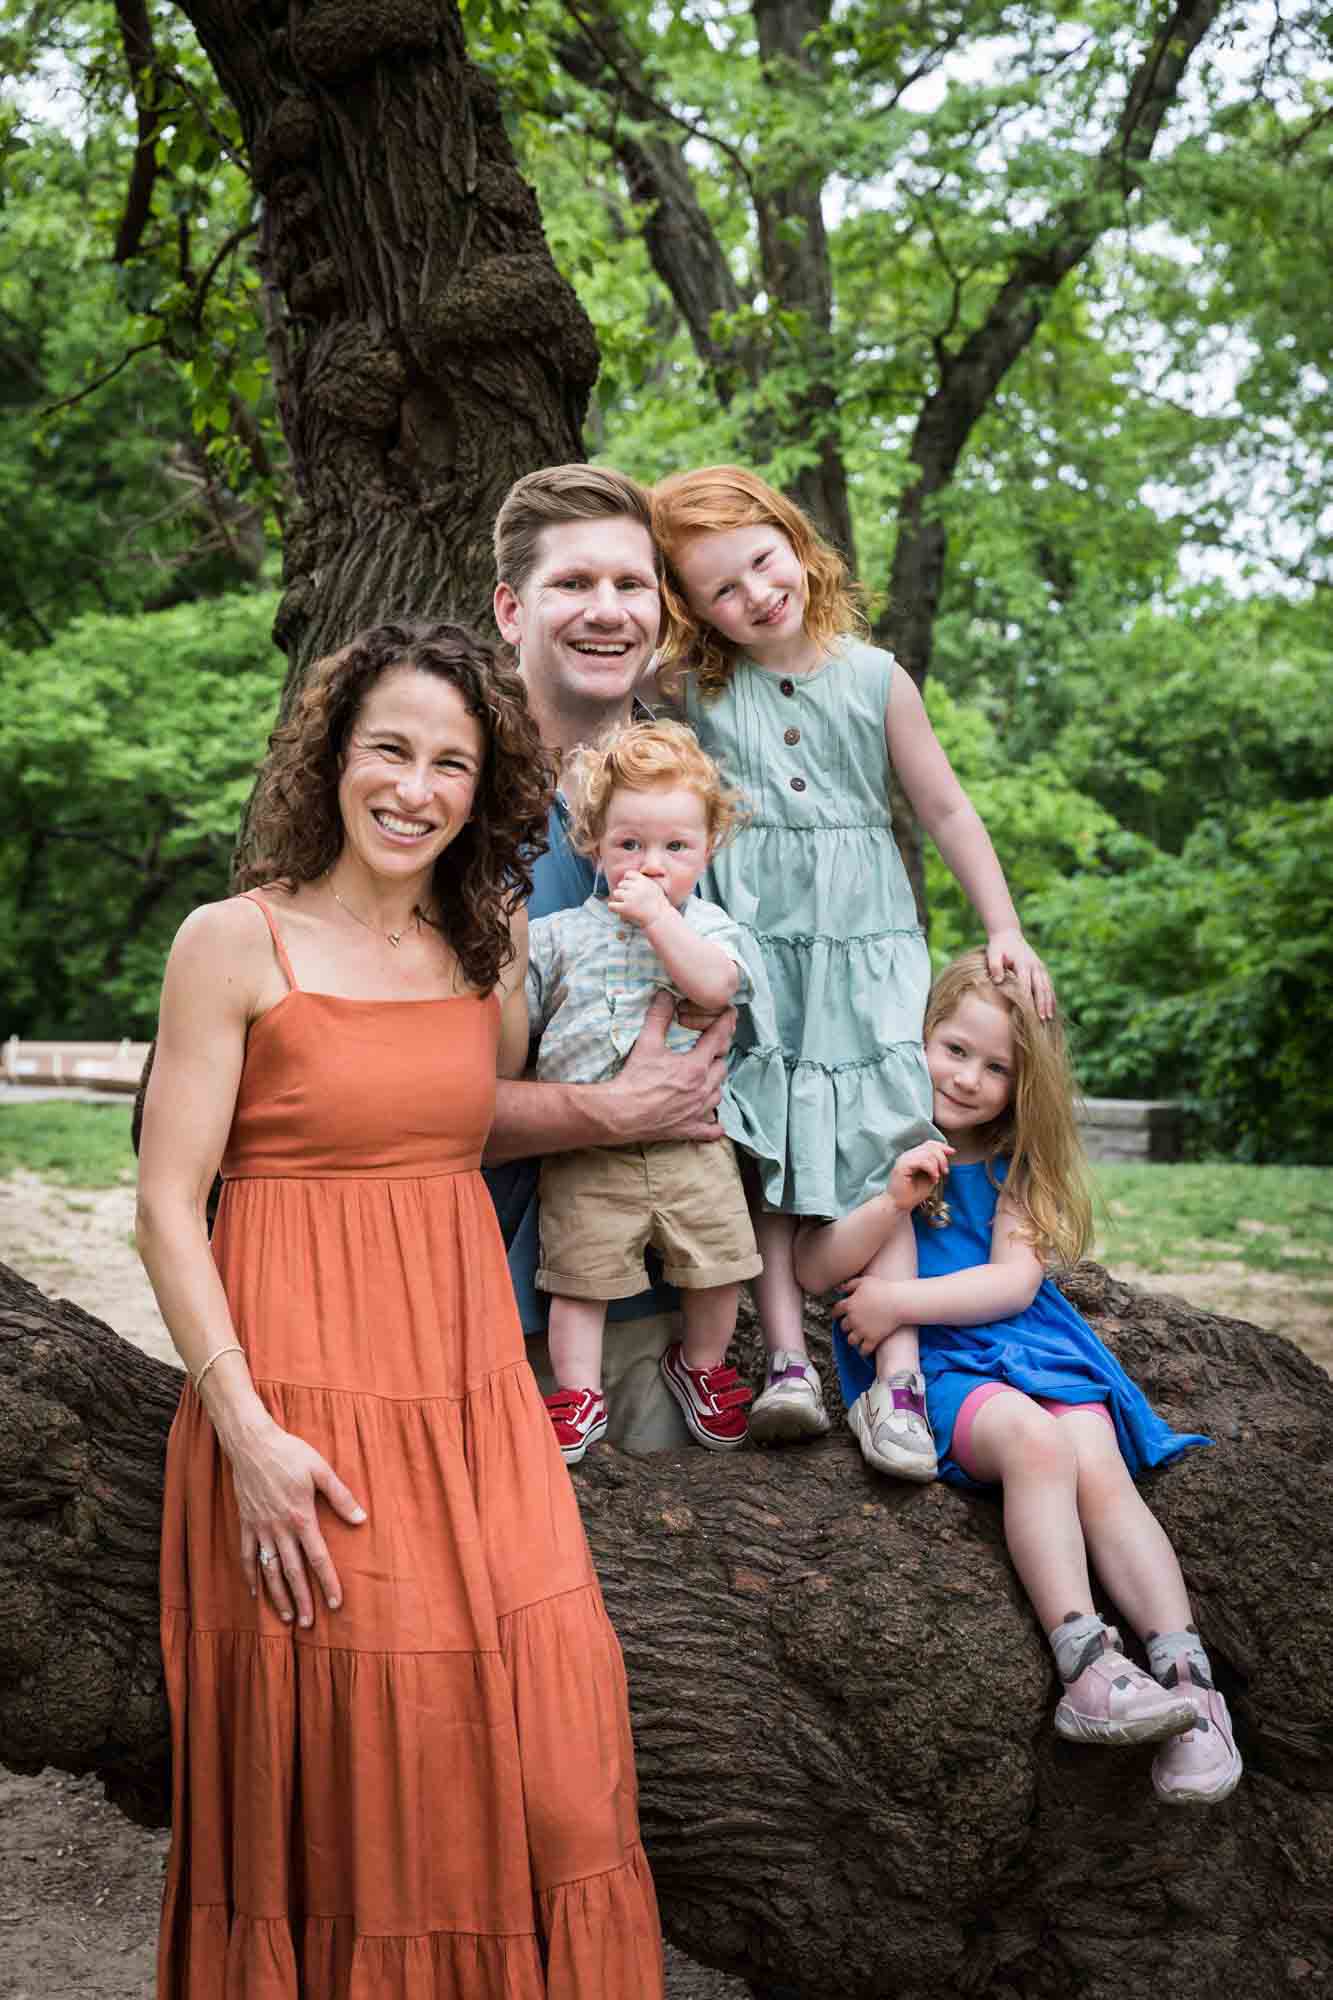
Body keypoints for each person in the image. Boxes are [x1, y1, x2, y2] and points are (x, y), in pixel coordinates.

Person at [136, 621, 666, 1997]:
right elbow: (163, 1203)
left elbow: (466, 1124)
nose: (414, 786)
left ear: (481, 787)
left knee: (561, 1759)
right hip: (297, 1400)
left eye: (450, 760)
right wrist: (246, 1435)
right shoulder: (233, 941)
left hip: (473, 1396)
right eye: (389, 748)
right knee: (374, 1769)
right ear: (333, 756)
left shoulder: (482, 947)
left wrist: (633, 1099)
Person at [650, 464, 1053, 1469]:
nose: (754, 592)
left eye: (761, 559)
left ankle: (898, 1382)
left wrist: (1001, 923)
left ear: (793, 537)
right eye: (720, 589)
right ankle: (788, 1362)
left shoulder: (875, 678)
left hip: (868, 951)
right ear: (693, 610)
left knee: (887, 1146)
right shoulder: (696, 692)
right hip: (763, 954)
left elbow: (947, 808)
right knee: (777, 1156)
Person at [806, 949, 1242, 1805]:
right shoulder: (873, 1137)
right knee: (1037, 1446)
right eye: (953, 1049)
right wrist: (892, 1207)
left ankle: (1188, 1679)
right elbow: (810, 1263)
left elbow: (1013, 1282)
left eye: (996, 1066)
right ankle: (1086, 1659)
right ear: (919, 1037)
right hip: (934, 1365)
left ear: (1023, 1083)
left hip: (1026, 1342)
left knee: (1097, 1464)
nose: (968, 1079)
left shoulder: (1014, 1163)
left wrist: (899, 1295)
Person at [486, 464, 735, 1455]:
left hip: (666, 1297)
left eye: (631, 585)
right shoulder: (444, 794)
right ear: (512, 608)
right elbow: (377, 1091)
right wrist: (609, 1108)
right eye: (572, 584)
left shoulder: (710, 791)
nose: (607, 610)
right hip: (483, 1284)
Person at [528, 718, 785, 1460]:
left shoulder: (709, 928)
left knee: (718, 1264)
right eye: (628, 845)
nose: (651, 864)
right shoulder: (557, 934)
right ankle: (578, 1391)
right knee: (579, 1275)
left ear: (707, 849)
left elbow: (715, 986)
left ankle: (698, 1365)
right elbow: (525, 1020)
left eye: (676, 848)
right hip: (585, 1148)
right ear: (593, 846)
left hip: (687, 1142)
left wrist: (657, 919)